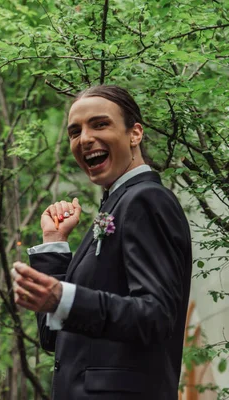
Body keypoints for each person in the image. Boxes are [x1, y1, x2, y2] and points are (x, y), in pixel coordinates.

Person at [12, 85, 192, 399]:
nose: (84, 139)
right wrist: (53, 244)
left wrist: (65, 298)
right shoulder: (115, 205)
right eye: (74, 132)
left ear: (135, 133)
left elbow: (156, 316)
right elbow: (53, 337)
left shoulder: (146, 199)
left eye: (99, 124)